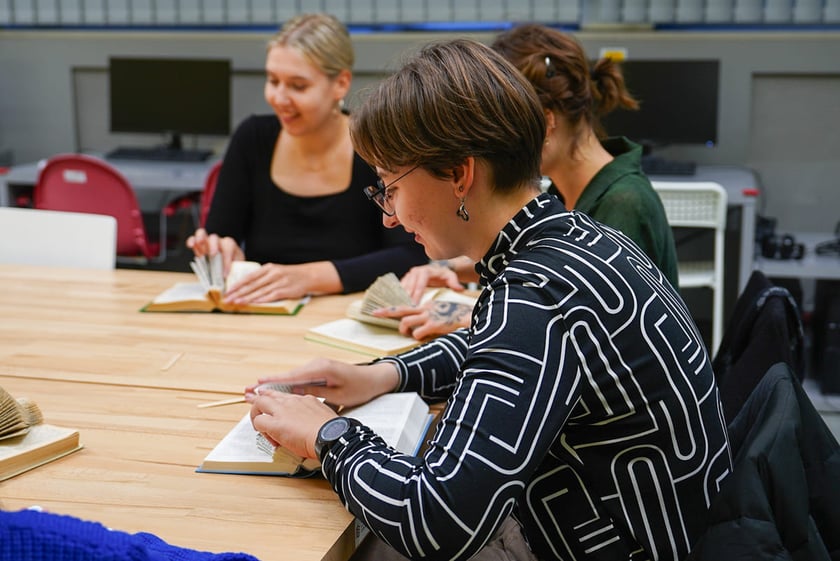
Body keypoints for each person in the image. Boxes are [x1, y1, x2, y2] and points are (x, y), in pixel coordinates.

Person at [245, 38, 731, 561]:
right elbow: (494, 351)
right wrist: (383, 374)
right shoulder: (570, 237)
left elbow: (435, 522)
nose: (388, 214)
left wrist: (331, 436)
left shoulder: (535, 295)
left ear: (459, 173)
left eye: (390, 185)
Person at [379, 23, 679, 340]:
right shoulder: (564, 191)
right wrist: (448, 269)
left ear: (543, 122)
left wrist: (467, 315)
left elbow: (588, 323)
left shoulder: (623, 203)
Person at [186, 13, 426, 303]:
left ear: (340, 84)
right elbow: (221, 234)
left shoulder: (375, 147)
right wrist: (219, 250)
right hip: (262, 313)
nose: (279, 98)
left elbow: (409, 254)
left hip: (353, 316)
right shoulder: (252, 138)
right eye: (273, 81)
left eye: (298, 86)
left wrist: (306, 278)